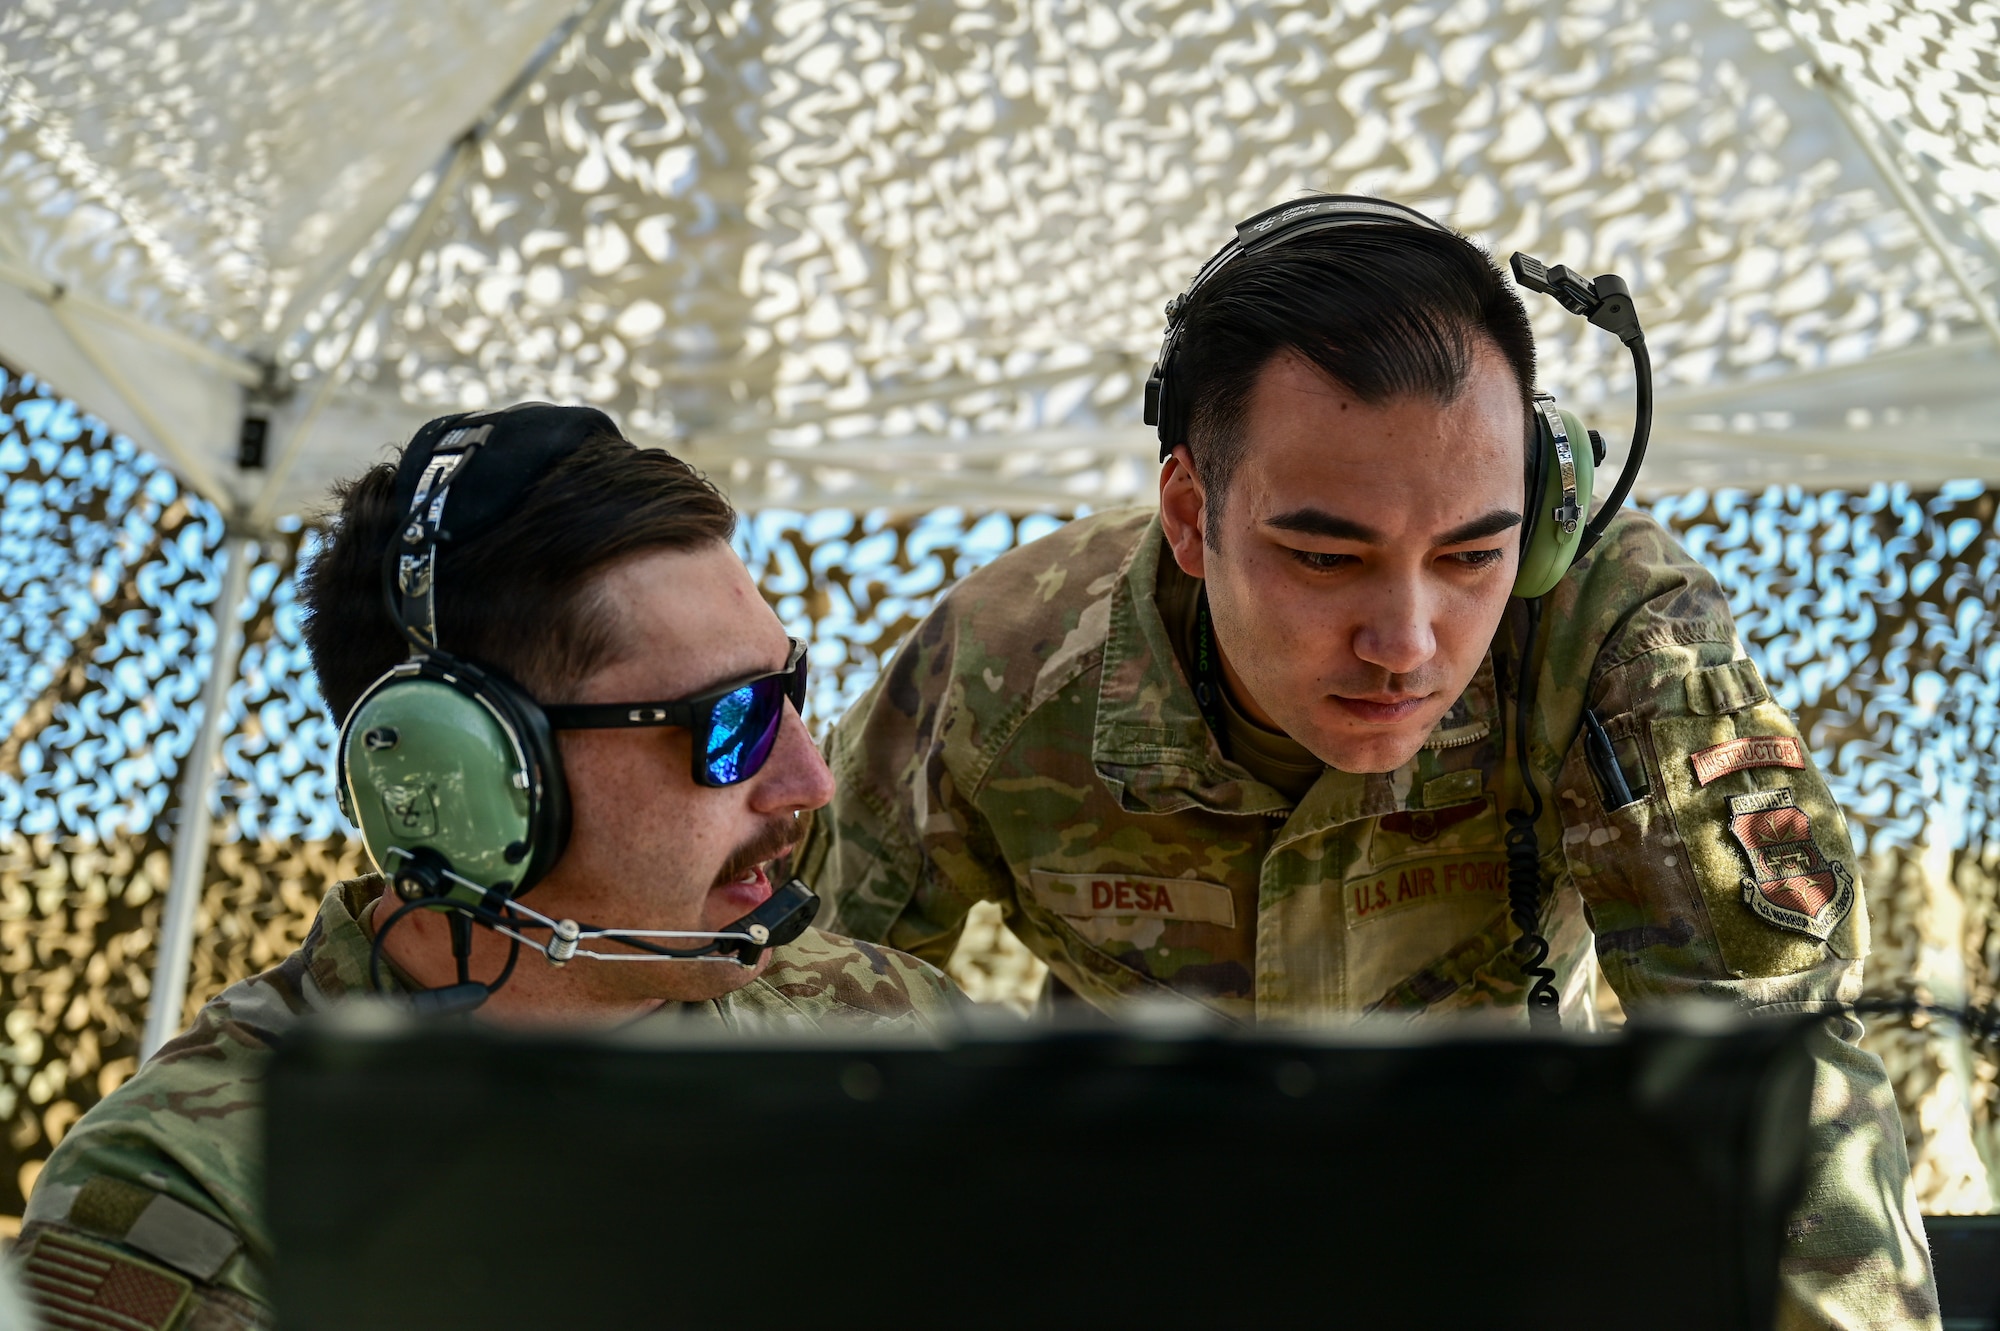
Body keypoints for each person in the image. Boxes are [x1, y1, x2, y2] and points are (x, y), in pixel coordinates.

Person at [796, 196, 1940, 1328]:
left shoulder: (1611, 634)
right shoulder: (999, 669)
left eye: (1471, 554)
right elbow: (796, 1020)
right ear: (1190, 514)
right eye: (1322, 557)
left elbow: (1776, 1081)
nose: (1405, 642)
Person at [11, 405, 958, 1330]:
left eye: (790, 690)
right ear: (464, 775)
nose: (810, 779)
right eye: (731, 720)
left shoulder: (889, 1024)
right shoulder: (185, 1204)